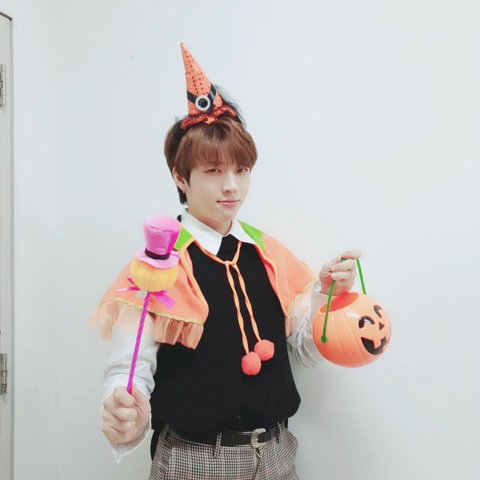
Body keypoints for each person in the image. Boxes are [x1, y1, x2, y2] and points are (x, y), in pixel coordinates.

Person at [91, 43, 360, 480]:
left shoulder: (269, 254)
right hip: (194, 460)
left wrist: (325, 302)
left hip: (277, 455)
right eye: (214, 172)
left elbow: (303, 354)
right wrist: (126, 412)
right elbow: (129, 371)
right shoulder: (157, 266)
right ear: (181, 177)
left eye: (241, 170)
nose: (232, 186)